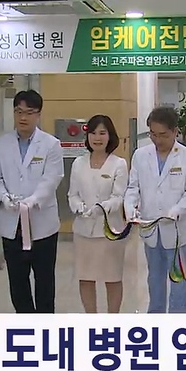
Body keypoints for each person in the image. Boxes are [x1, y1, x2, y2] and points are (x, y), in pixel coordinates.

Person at [0, 89, 64, 313]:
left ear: (38, 114)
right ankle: (26, 323)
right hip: (11, 223)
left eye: (29, 112)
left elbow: (52, 178)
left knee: (44, 282)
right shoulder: (0, 144)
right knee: (17, 282)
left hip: (42, 224)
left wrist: (32, 201)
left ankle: (45, 326)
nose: (23, 117)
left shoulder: (50, 144)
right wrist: (4, 198)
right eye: (19, 111)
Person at [124, 106, 186, 313]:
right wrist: (129, 206)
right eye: (153, 134)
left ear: (175, 131)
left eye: (163, 135)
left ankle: (177, 321)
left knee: (179, 281)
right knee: (154, 279)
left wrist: (178, 209)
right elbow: (133, 187)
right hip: (151, 229)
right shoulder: (140, 155)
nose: (157, 140)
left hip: (178, 232)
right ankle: (156, 318)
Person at [67, 115, 129, 313]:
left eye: (102, 133)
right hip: (83, 231)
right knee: (85, 277)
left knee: (112, 278)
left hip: (109, 231)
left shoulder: (118, 164)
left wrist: (102, 208)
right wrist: (77, 206)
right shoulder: (78, 163)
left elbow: (119, 197)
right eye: (93, 133)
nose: (97, 138)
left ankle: (112, 320)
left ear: (110, 136)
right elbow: (72, 194)